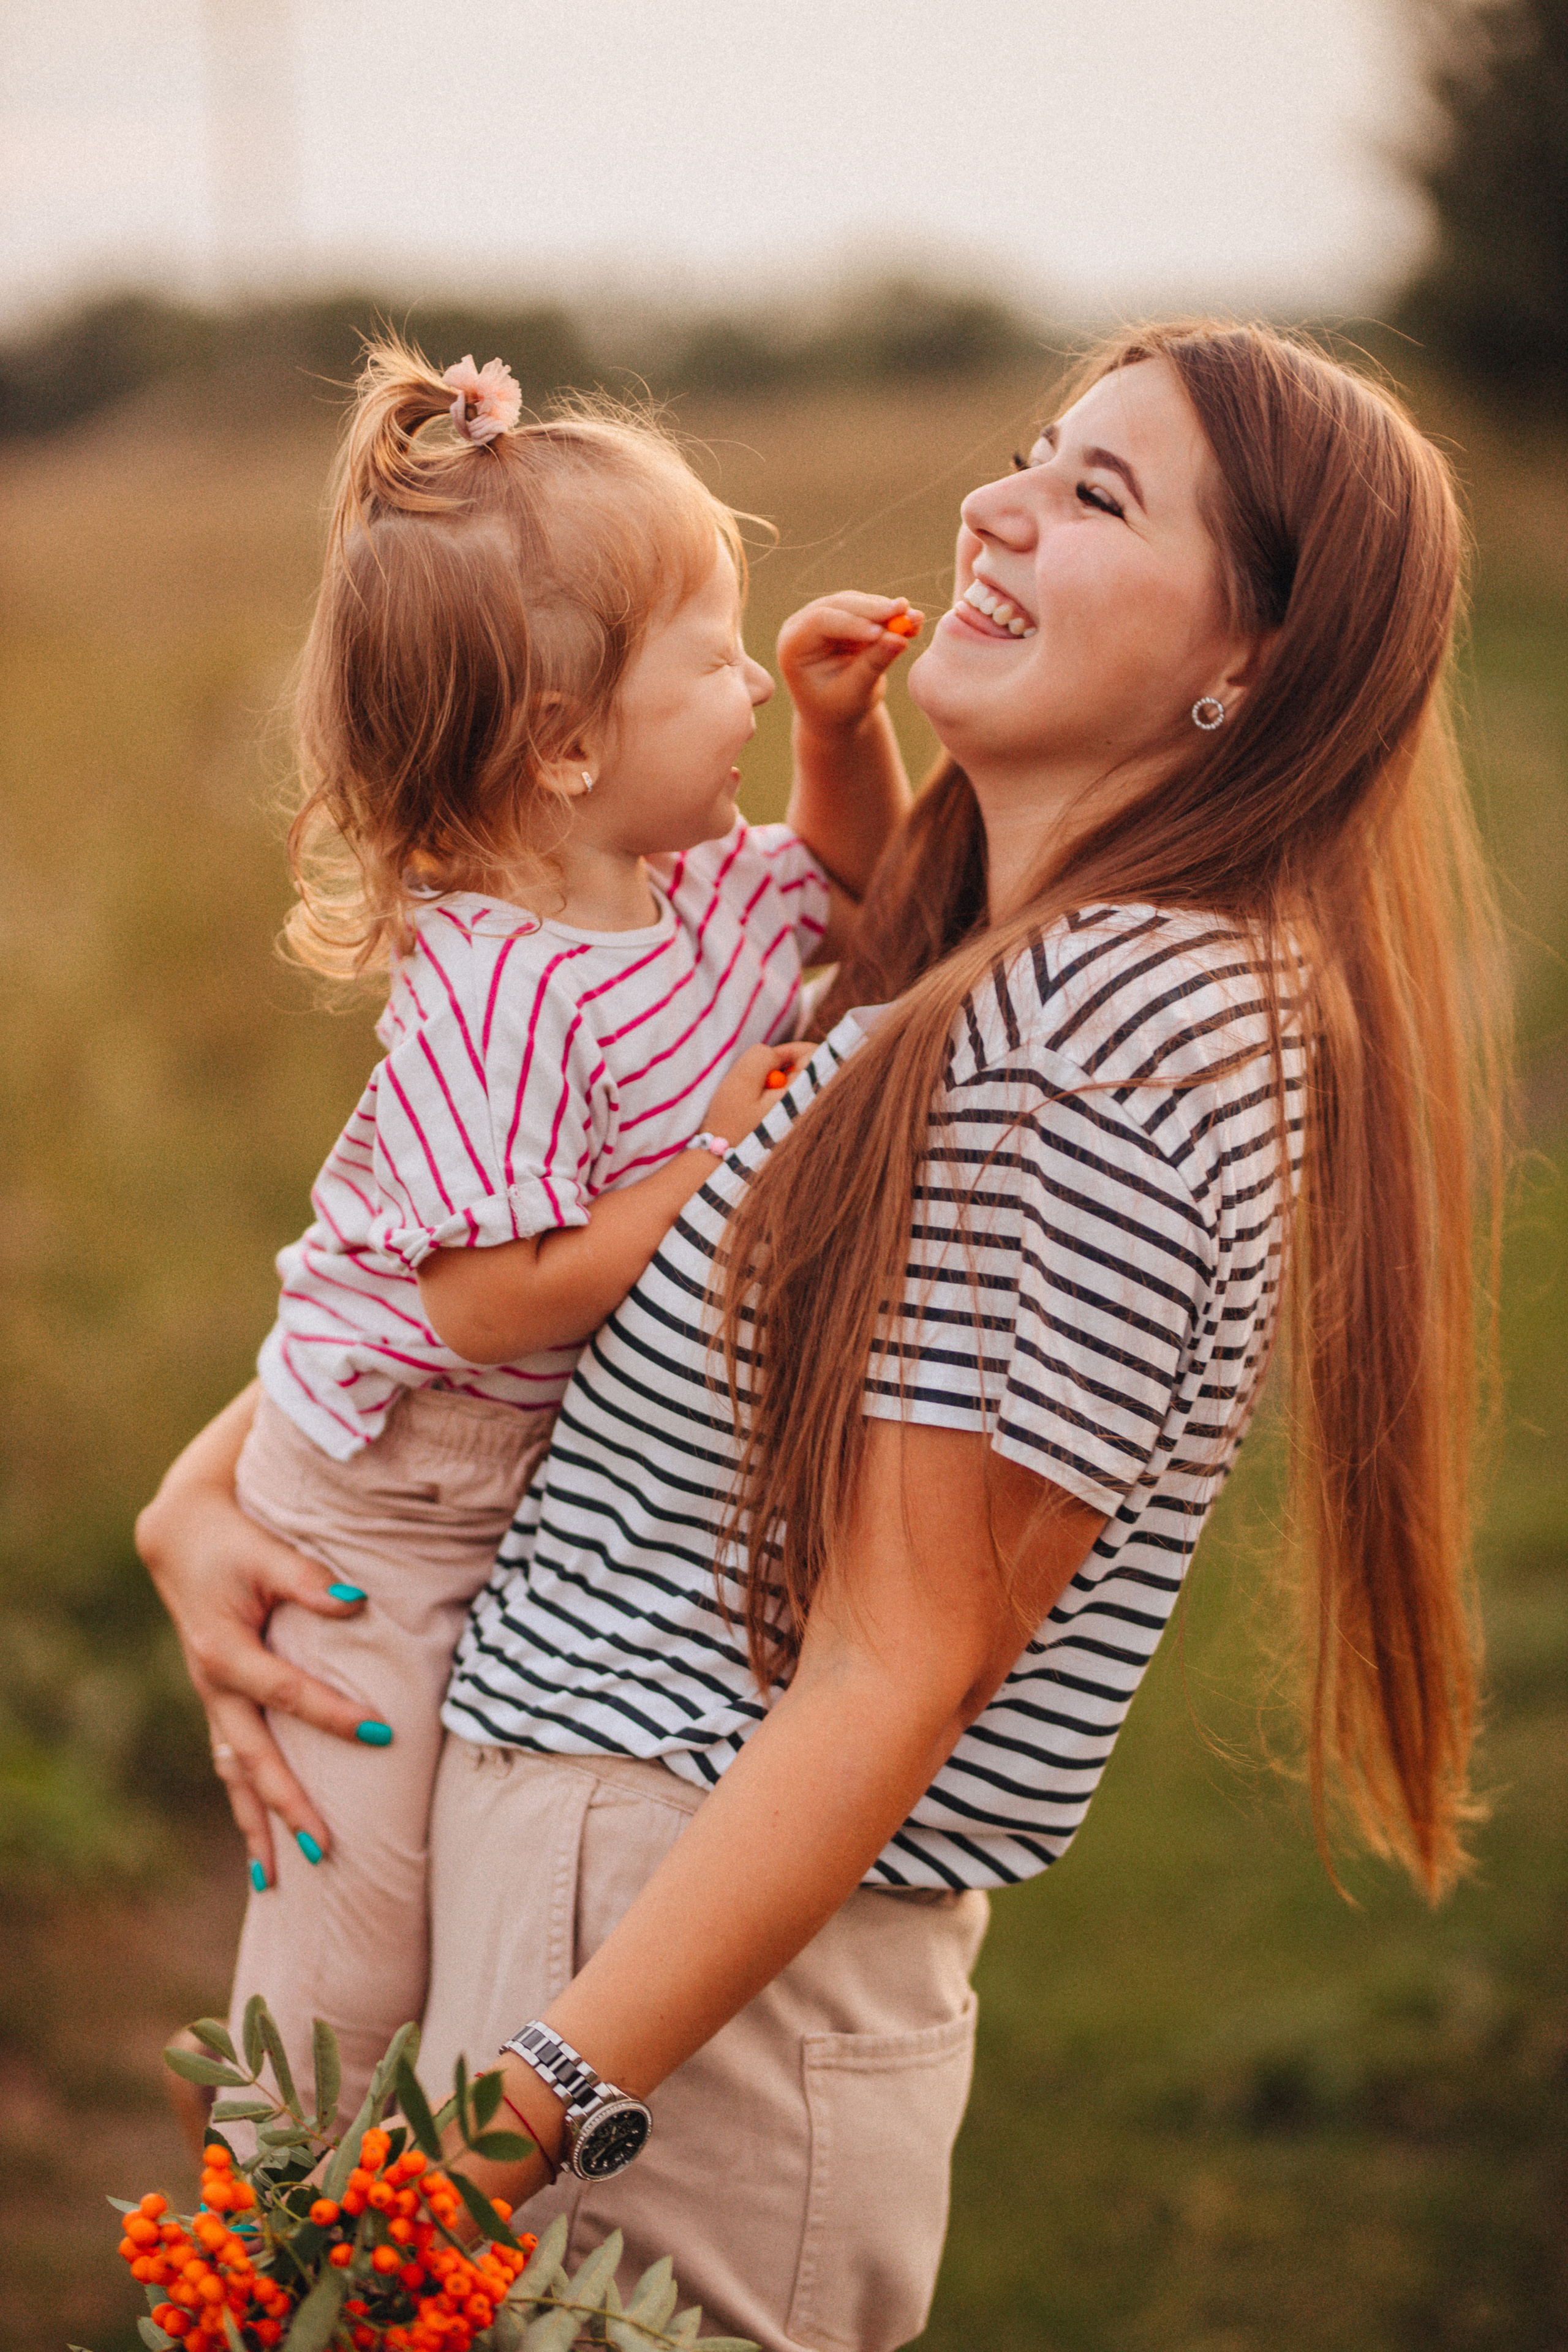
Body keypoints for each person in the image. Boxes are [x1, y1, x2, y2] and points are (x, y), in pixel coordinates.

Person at [138, 322, 1504, 2352]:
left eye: (1101, 493)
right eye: (1034, 451)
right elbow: (586, 1281)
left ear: (1257, 663)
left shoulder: (1099, 1038)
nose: (995, 501)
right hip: (613, 1915)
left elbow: (896, 1665)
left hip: (670, 2005)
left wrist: (521, 2125)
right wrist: (213, 1478)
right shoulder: (1006, 978)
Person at [188, 331, 922, 2126]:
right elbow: (490, 1307)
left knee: (454, 1930)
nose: (750, 681)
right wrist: (709, 1167)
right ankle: (250, 2258)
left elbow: (859, 893)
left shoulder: (685, 892)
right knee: (348, 1956)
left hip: (508, 1506)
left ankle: (374, 2252)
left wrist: (846, 732)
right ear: (569, 742)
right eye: (715, 661)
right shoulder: (495, 991)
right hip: (374, 1511)